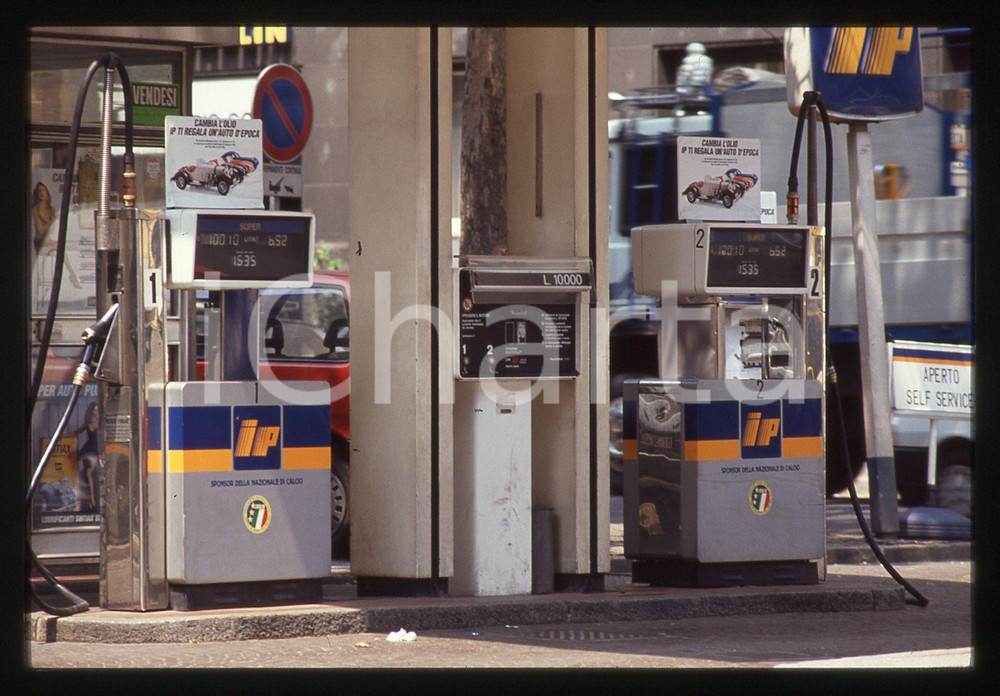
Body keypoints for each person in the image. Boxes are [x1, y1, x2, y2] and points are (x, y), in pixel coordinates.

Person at [68, 402, 100, 512]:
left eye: (97, 410)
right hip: (88, 447)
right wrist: (62, 436)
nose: (96, 412)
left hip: (96, 448)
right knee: (80, 467)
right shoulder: (88, 423)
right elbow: (77, 431)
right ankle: (83, 496)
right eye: (94, 410)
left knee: (89, 473)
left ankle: (92, 498)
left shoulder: (100, 423)